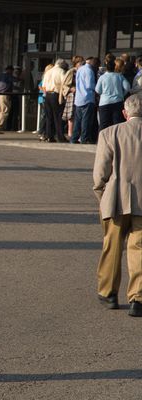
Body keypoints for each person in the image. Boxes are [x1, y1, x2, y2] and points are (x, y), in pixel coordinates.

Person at [93, 94, 142, 317]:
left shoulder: (109, 133)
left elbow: (100, 173)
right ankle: (137, 298)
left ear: (125, 112)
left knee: (111, 246)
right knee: (139, 249)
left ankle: (109, 293)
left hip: (115, 198)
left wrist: (101, 194)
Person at [95, 59, 130, 131]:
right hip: (117, 101)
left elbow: (97, 90)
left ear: (106, 68)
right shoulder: (119, 76)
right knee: (117, 123)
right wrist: (122, 94)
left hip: (104, 102)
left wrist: (103, 94)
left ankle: (102, 140)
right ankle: (116, 140)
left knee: (104, 124)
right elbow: (127, 87)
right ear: (114, 67)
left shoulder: (102, 77)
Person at [43, 59, 68, 142]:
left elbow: (43, 85)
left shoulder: (48, 72)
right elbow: (64, 83)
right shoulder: (61, 71)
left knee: (49, 117)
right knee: (58, 117)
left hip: (47, 95)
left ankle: (49, 136)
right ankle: (60, 137)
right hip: (56, 95)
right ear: (62, 65)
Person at [0, 65, 14, 132]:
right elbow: (14, 81)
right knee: (5, 110)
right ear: (10, 70)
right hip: (4, 94)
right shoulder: (8, 76)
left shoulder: (0, 75)